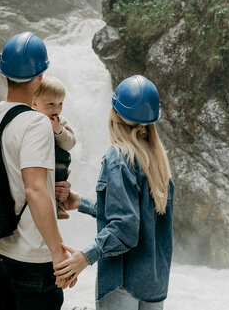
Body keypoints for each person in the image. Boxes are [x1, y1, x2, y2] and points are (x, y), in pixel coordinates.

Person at [56, 75, 174, 310]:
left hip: (122, 282)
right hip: (154, 283)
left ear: (116, 114)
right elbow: (136, 215)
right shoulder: (158, 161)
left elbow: (125, 227)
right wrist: (81, 203)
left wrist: (85, 257)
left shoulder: (118, 158)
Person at [0, 31, 76, 310]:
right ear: (40, 76)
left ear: (4, 73)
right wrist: (58, 253)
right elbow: (34, 189)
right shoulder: (36, 123)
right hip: (30, 258)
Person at [32, 75, 76, 220]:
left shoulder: (61, 122)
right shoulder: (30, 119)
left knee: (60, 173)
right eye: (51, 104)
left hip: (56, 163)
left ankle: (57, 205)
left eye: (60, 104)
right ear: (35, 103)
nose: (56, 109)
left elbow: (70, 144)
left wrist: (58, 130)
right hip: (38, 165)